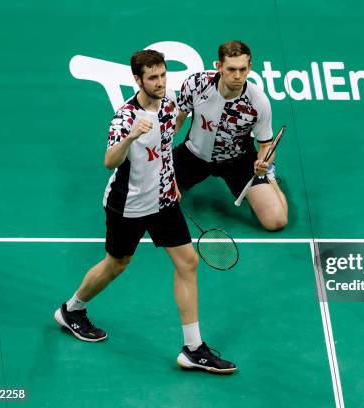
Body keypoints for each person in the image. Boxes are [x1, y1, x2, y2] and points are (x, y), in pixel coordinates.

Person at [53, 49, 236, 374]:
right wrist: (131, 137)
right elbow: (109, 161)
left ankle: (192, 348)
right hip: (129, 205)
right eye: (153, 77)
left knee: (187, 262)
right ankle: (72, 309)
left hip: (163, 199)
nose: (161, 82)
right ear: (137, 79)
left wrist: (170, 180)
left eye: (163, 75)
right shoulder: (125, 117)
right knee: (117, 264)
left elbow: (166, 145)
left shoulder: (168, 105)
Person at [173, 40, 288, 231]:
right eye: (231, 69)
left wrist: (264, 163)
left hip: (238, 161)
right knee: (152, 200)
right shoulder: (196, 84)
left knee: (276, 221)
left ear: (250, 67)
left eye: (243, 69)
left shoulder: (258, 102)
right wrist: (160, 160)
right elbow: (177, 120)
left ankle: (271, 177)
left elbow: (266, 146)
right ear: (219, 67)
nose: (238, 76)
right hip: (193, 155)